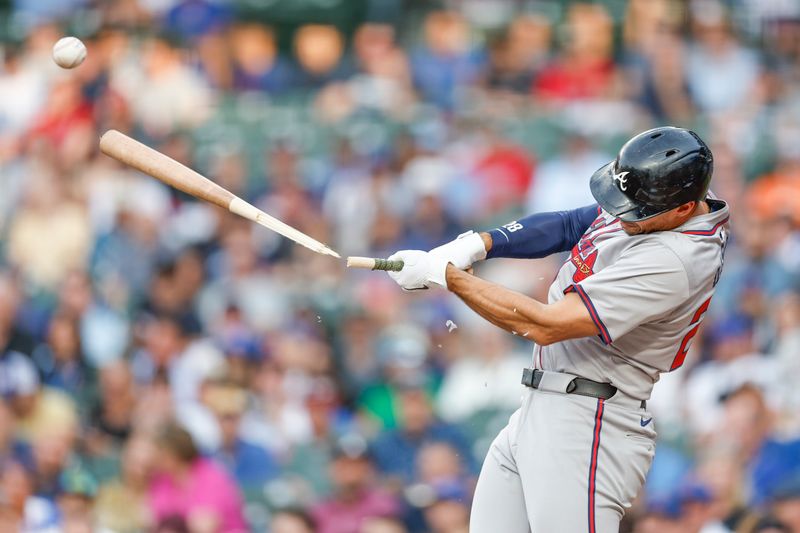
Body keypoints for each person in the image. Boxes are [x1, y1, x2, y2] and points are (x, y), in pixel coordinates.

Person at [384, 126, 730, 532]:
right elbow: (569, 225)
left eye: (635, 211)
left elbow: (544, 325)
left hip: (590, 422)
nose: (621, 215)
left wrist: (449, 278)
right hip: (543, 405)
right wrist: (476, 244)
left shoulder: (677, 259)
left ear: (684, 209)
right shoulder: (657, 203)